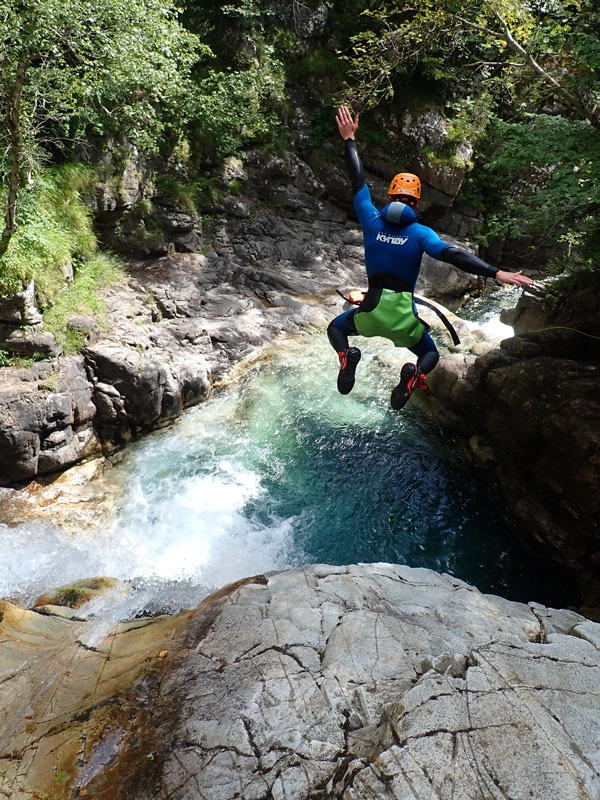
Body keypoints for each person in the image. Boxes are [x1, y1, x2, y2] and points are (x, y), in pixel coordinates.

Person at [328, 105, 534, 410]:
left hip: (370, 311)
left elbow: (357, 181)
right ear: (416, 201)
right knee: (430, 354)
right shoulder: (421, 234)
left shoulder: (371, 219)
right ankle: (414, 377)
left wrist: (350, 139)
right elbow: (453, 255)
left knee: (336, 328)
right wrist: (497, 273)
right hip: (402, 318)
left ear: (390, 195)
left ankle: (347, 356)